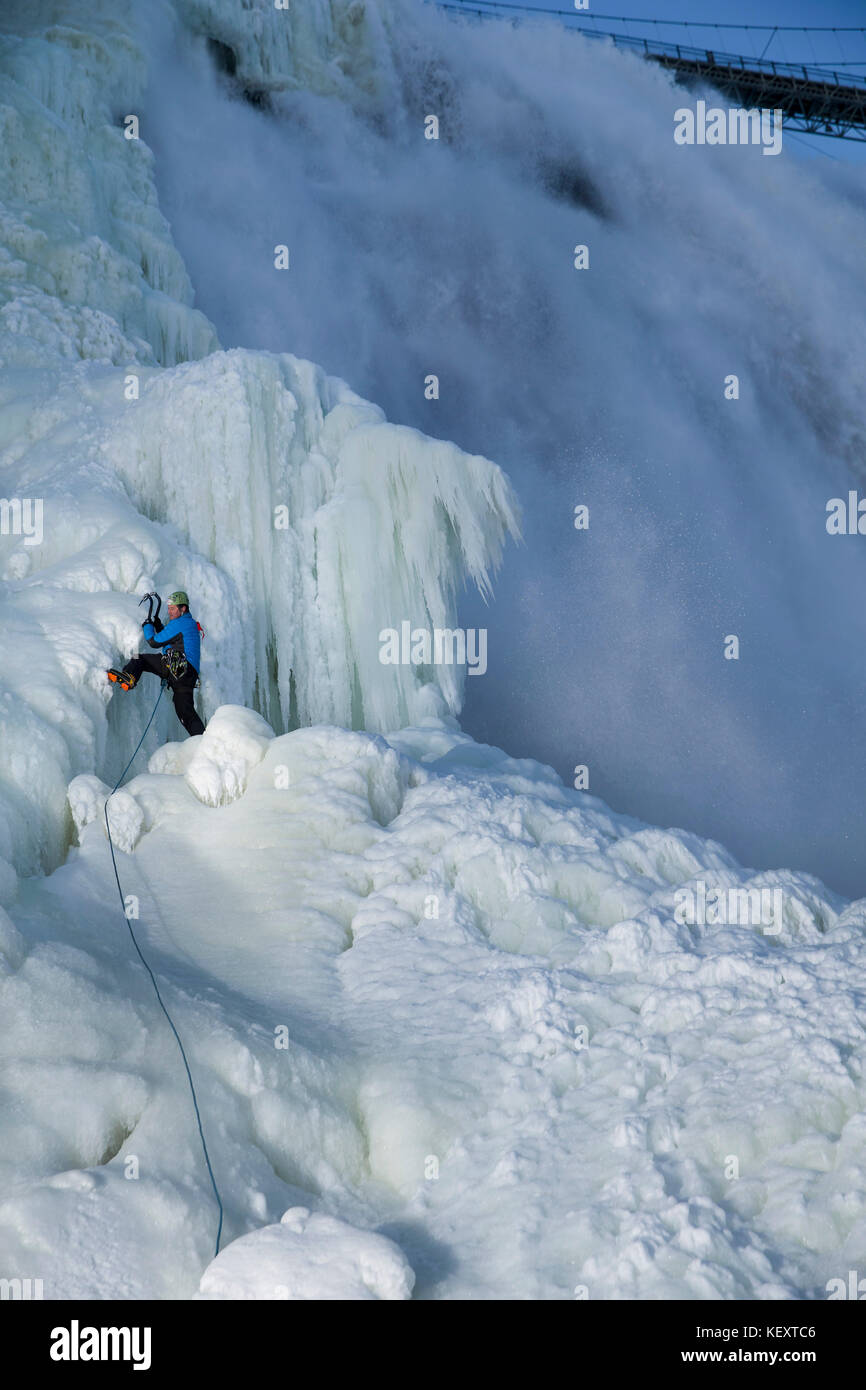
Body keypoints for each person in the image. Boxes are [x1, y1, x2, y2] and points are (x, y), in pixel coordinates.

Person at [107, 590, 206, 736]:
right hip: (187, 676)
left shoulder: (181, 622)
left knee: (138, 658)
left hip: (178, 665)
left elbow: (154, 642)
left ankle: (129, 677)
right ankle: (202, 738)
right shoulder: (189, 624)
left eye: (173, 609)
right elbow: (172, 642)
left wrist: (147, 626)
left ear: (183, 608)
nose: (170, 612)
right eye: (169, 609)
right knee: (186, 713)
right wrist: (159, 627)